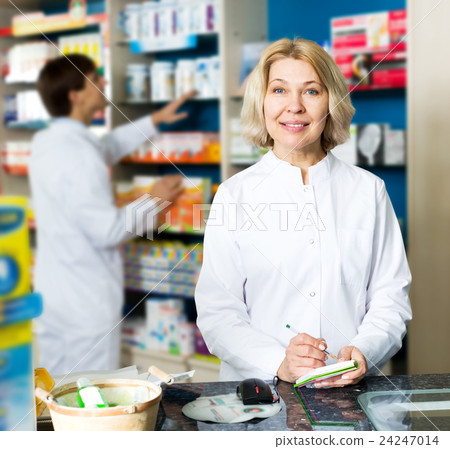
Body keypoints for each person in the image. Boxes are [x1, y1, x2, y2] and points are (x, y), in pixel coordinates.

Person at [195, 38, 412, 385]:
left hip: (350, 393)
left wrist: (364, 352)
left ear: (331, 103)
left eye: (311, 92)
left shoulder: (368, 190)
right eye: (279, 90)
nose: (293, 106)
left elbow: (391, 299)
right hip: (259, 395)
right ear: (262, 103)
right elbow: (218, 313)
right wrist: (278, 362)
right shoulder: (235, 195)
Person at [30, 54, 193, 376]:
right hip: (85, 302)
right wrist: (155, 199)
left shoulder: (47, 141)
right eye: (94, 78)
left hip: (54, 295)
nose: (103, 82)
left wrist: (155, 119)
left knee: (51, 395)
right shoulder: (79, 155)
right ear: (75, 96)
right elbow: (108, 231)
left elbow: (106, 147)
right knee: (88, 399)